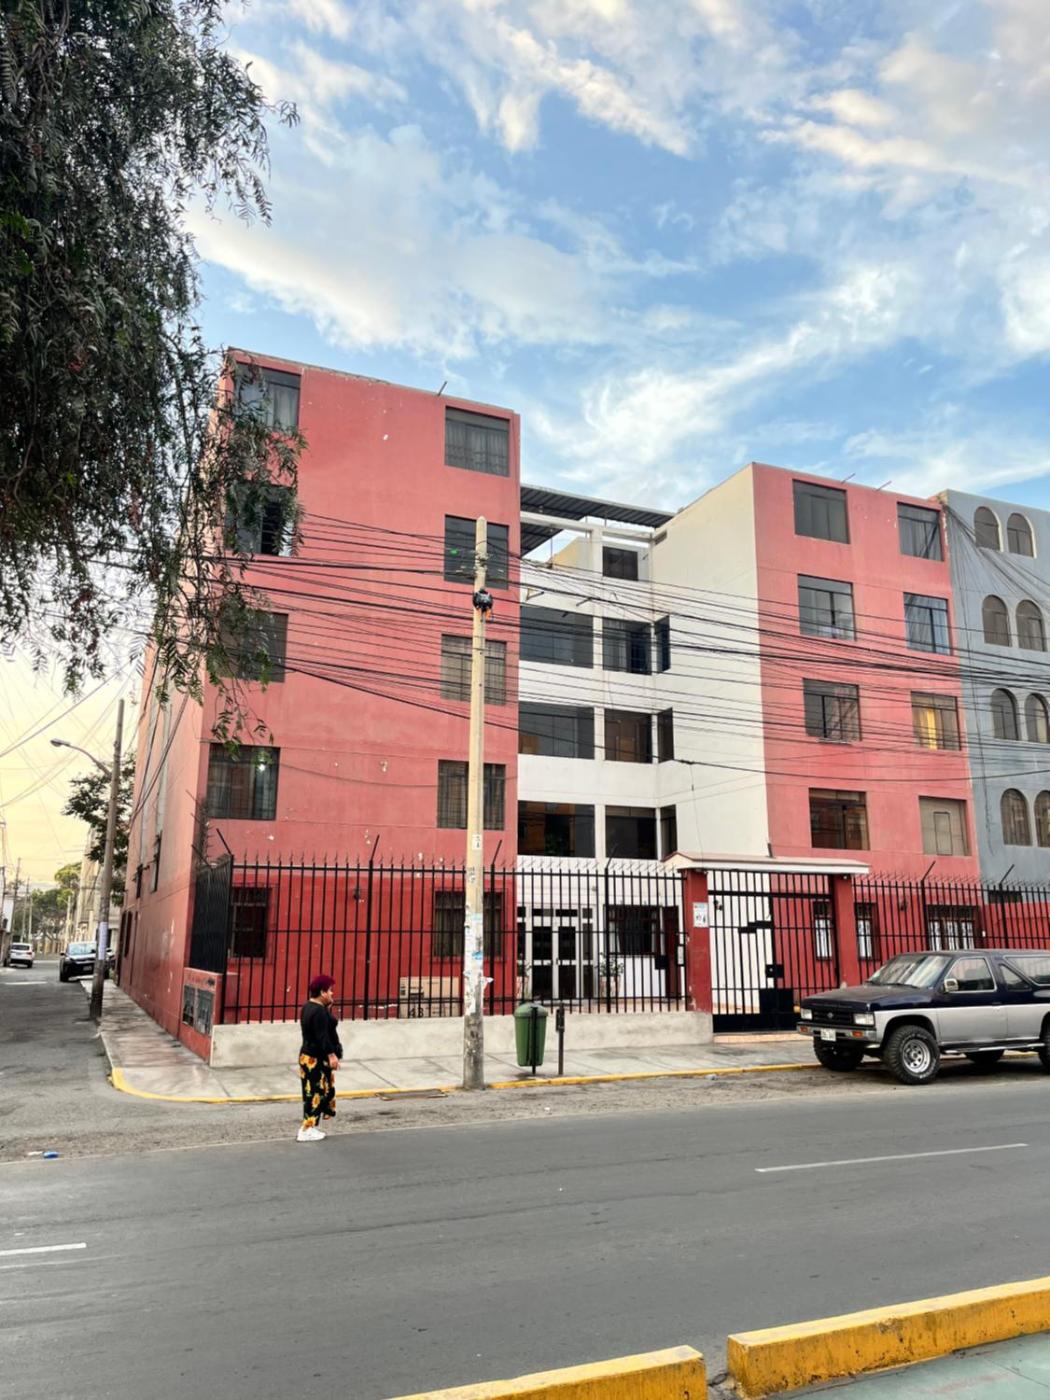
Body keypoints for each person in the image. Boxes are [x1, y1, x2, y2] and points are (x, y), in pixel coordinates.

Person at [297, 974, 340, 1143]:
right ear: (322, 992)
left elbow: (322, 1028)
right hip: (315, 1058)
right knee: (315, 1093)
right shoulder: (318, 1011)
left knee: (314, 1092)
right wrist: (331, 1055)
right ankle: (306, 1129)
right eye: (330, 990)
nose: (332, 993)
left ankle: (310, 1127)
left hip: (307, 1056)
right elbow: (322, 1036)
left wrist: (328, 1007)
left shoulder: (308, 1007)